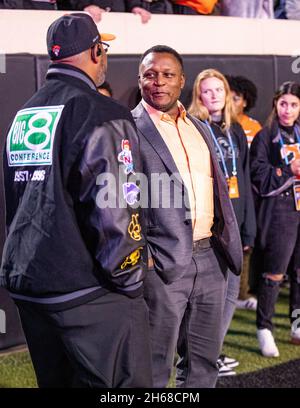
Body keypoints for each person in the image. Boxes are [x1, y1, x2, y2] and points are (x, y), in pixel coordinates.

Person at [0, 13, 152, 388]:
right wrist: (132, 282)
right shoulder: (102, 111)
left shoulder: (25, 114)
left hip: (31, 286)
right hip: (88, 293)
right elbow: (117, 205)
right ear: (96, 51)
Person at [132, 45, 242, 388]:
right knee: (154, 366)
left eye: (167, 74)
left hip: (212, 258)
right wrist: (145, 257)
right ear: (140, 80)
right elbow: (120, 202)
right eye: (150, 74)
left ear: (182, 80)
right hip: (162, 266)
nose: (158, 82)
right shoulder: (126, 128)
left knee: (203, 365)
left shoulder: (200, 127)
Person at [189, 69, 256, 376]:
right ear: (198, 96)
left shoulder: (237, 131)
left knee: (230, 297)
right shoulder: (193, 128)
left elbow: (242, 178)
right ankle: (198, 358)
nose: (214, 95)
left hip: (236, 225)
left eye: (219, 90)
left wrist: (248, 227)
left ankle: (211, 354)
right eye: (207, 91)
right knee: (206, 303)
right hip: (208, 230)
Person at [250, 81, 300, 357]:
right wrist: (288, 169)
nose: (288, 110)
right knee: (274, 273)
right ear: (275, 104)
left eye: (294, 104)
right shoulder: (265, 136)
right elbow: (258, 177)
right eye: (283, 104)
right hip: (280, 211)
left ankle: (296, 324)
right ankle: (264, 329)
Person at [226, 75, 262, 148]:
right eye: (228, 99)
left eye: (235, 99)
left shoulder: (254, 127)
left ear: (245, 102)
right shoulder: (217, 125)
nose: (231, 104)